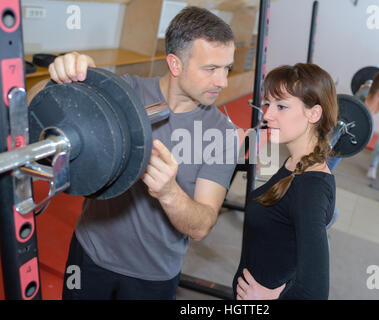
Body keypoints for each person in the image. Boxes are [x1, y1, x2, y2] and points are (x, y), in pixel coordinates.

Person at [33, 7, 238, 299]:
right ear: (175, 64)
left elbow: (202, 225)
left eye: (227, 68)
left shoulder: (223, 134)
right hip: (89, 256)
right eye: (211, 69)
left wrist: (169, 192)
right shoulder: (123, 93)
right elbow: (33, 107)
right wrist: (58, 80)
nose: (223, 81)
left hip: (154, 277)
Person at [232, 63, 338, 300]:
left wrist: (270, 299)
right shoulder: (295, 164)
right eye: (268, 104)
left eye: (281, 106)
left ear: (314, 113)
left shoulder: (311, 189)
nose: (267, 114)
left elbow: (315, 293)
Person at [325, 68, 379, 229]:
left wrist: (370, 83)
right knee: (331, 214)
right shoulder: (350, 118)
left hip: (325, 170)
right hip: (313, 172)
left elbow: (367, 87)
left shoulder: (364, 101)